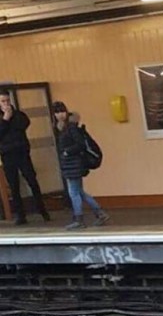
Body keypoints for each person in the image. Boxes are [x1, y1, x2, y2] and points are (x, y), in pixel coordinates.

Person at [52, 101, 109, 230]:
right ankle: (100, 213)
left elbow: (80, 145)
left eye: (61, 111)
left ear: (66, 112)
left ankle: (79, 219)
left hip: (73, 164)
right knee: (80, 192)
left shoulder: (71, 128)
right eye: (57, 112)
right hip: (70, 164)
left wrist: (67, 152)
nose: (59, 114)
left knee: (73, 193)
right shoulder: (62, 128)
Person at [0, 89, 50, 225]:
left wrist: (11, 116)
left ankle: (42, 210)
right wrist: (5, 119)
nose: (6, 104)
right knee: (14, 186)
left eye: (7, 101)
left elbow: (24, 124)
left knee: (32, 181)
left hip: (22, 153)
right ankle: (20, 215)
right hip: (7, 155)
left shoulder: (19, 115)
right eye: (2, 101)